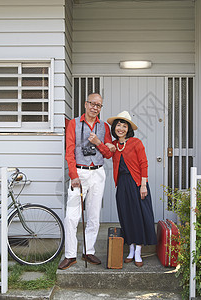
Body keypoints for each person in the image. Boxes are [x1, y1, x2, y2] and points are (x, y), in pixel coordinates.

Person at [58, 93, 113, 270]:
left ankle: (88, 251)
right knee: (72, 216)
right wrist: (73, 175)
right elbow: (69, 151)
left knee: (94, 215)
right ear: (85, 104)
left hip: (97, 173)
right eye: (93, 104)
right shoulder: (74, 123)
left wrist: (98, 142)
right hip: (80, 173)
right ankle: (70, 255)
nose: (95, 108)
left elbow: (109, 154)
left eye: (99, 105)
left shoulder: (104, 126)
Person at [107, 111, 157, 267]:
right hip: (122, 184)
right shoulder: (115, 146)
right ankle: (130, 248)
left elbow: (144, 164)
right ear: (114, 128)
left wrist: (143, 185)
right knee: (126, 216)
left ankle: (138, 251)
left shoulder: (136, 143)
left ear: (128, 128)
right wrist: (107, 145)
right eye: (118, 125)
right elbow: (105, 153)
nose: (120, 128)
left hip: (136, 184)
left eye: (124, 125)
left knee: (138, 217)